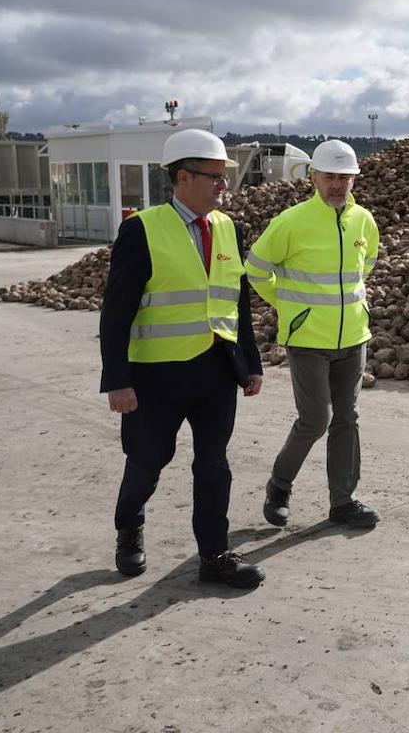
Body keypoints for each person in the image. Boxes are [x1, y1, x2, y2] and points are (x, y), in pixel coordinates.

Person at [100, 128, 266, 589]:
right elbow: (116, 313)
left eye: (223, 177)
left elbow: (237, 299)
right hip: (156, 376)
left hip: (216, 370)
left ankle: (214, 556)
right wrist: (117, 379)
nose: (223, 186)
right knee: (148, 461)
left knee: (214, 463)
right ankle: (129, 525)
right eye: (214, 177)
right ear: (182, 177)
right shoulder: (142, 230)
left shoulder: (229, 228)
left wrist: (250, 360)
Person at [245, 139, 381, 528]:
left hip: (354, 336)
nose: (337, 185)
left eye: (345, 177)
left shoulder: (363, 221)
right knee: (315, 420)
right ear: (313, 178)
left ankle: (343, 501)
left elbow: (365, 264)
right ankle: (279, 486)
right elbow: (255, 269)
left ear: (354, 179)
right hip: (307, 342)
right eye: (330, 177)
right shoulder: (290, 222)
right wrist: (289, 305)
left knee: (347, 419)